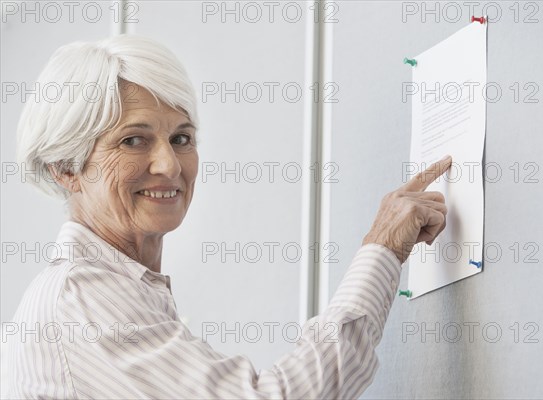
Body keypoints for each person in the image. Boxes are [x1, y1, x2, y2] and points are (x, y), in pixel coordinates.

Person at [3, 34, 450, 399]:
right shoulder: (82, 297)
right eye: (133, 141)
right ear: (65, 168)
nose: (169, 165)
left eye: (181, 138)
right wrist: (382, 248)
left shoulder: (118, 291)